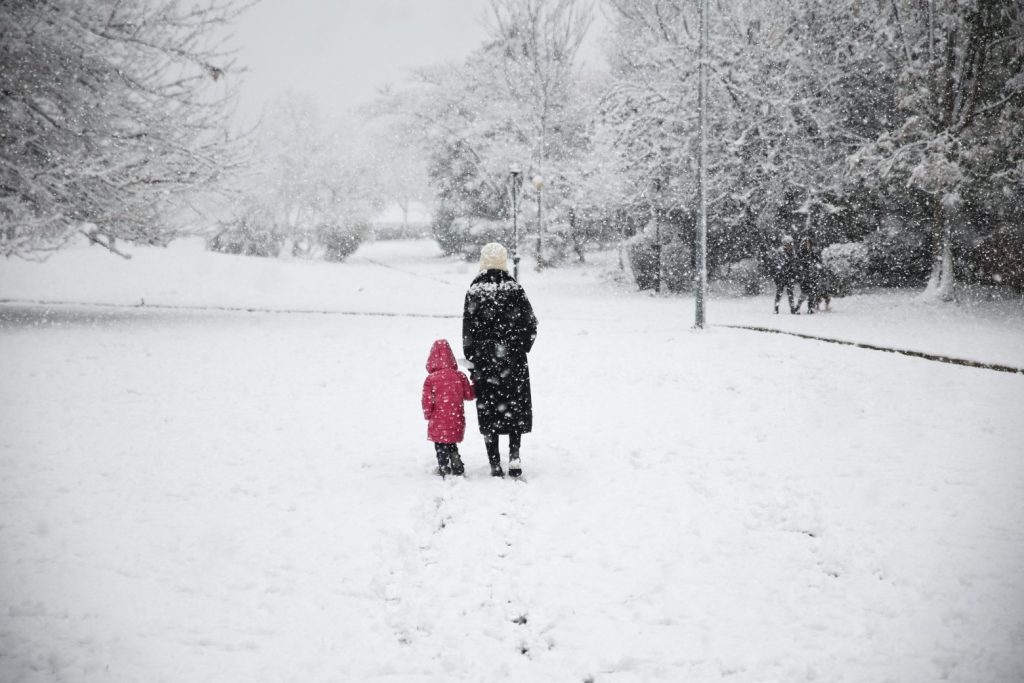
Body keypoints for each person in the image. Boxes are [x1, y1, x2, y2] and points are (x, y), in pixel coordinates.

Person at [462, 243, 538, 478]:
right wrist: (520, 347)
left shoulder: (474, 291)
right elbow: (531, 324)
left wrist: (473, 357)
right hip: (513, 360)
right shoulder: (515, 289)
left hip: (486, 362)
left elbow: (468, 331)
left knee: (489, 409)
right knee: (513, 408)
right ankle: (514, 455)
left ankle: (494, 461)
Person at [421, 339, 475, 477]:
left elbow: (427, 400)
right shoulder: (459, 376)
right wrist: (476, 381)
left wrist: (428, 415)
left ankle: (444, 466)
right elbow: (469, 395)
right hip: (455, 417)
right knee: (451, 441)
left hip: (438, 419)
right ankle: (456, 462)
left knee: (440, 444)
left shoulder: (431, 379)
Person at [794, 235, 823, 314]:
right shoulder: (801, 253)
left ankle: (810, 308)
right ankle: (798, 307)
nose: (807, 244)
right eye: (806, 243)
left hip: (813, 276)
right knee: (804, 292)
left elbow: (817, 261)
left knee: (812, 293)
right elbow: (799, 263)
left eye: (809, 243)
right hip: (804, 276)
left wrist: (816, 265)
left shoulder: (812, 253)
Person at [771, 235, 798, 314]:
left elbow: (794, 264)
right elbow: (777, 264)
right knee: (779, 293)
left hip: (789, 276)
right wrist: (778, 274)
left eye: (790, 243)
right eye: (787, 243)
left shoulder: (793, 252)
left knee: (790, 293)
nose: (789, 245)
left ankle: (792, 309)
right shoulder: (779, 252)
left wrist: (793, 273)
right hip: (781, 276)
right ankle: (776, 308)